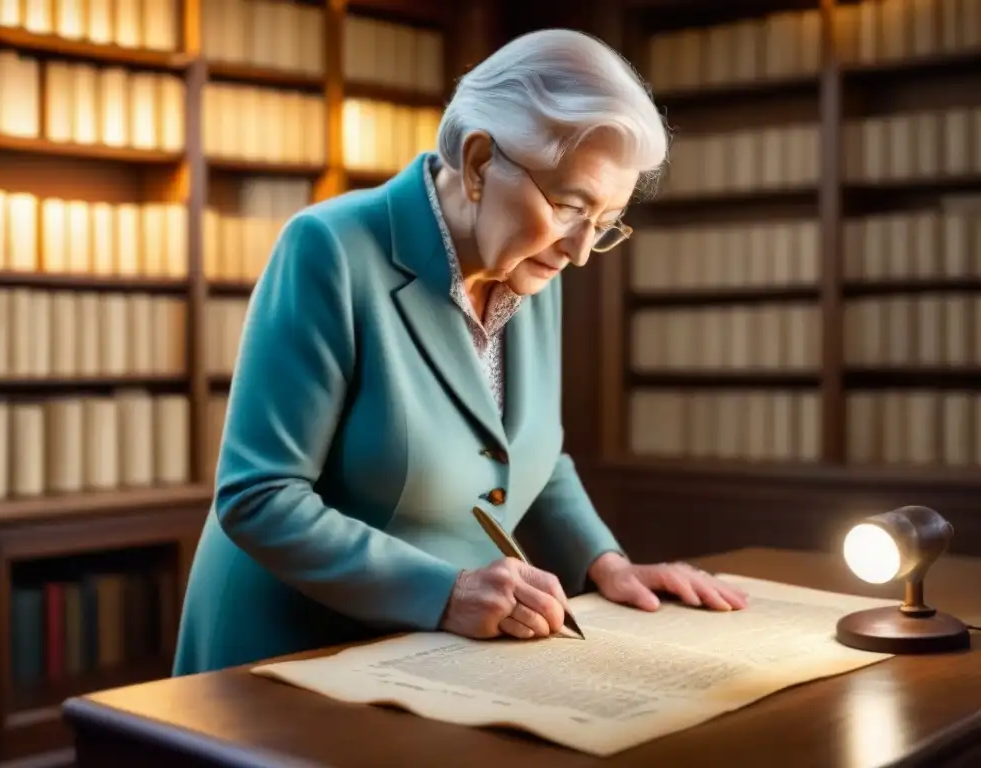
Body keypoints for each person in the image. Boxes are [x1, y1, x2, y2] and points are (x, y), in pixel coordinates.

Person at [173, 28, 747, 676]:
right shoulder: (328, 249)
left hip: (426, 657)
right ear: (478, 162)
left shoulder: (531, 266)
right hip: (282, 657)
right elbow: (260, 495)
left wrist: (606, 566)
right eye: (568, 205)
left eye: (605, 222)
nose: (582, 249)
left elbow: (528, 450)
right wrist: (444, 593)